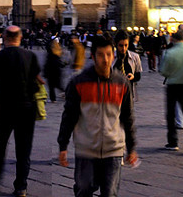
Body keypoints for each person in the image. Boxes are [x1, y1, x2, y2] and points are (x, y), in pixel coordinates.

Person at [57, 34, 138, 196]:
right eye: (100, 55)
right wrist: (63, 145)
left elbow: (127, 117)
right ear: (93, 56)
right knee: (83, 191)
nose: (105, 60)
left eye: (109, 54)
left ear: (113, 55)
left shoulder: (122, 83)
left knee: (110, 194)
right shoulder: (78, 82)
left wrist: (132, 147)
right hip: (86, 150)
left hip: (113, 150)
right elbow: (69, 116)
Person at [0, 25, 43, 197]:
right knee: (24, 149)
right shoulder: (30, 56)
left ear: (4, 37)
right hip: (27, 108)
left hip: (4, 109)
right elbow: (39, 80)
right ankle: (21, 187)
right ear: (20, 37)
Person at [159, 29, 183, 154]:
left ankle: (173, 142)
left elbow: (163, 71)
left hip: (173, 85)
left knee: (171, 114)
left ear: (174, 40)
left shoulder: (169, 52)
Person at [112, 32, 142, 102]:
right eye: (121, 45)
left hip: (129, 93)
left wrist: (133, 76)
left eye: (126, 45)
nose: (123, 48)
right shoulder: (110, 57)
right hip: (113, 93)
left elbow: (138, 76)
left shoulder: (135, 57)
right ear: (115, 44)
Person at [45, 38, 66, 102]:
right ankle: (66, 94)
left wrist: (45, 71)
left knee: (51, 86)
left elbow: (48, 63)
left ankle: (53, 99)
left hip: (51, 71)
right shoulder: (58, 52)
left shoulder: (51, 54)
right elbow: (60, 63)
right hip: (57, 71)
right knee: (58, 85)